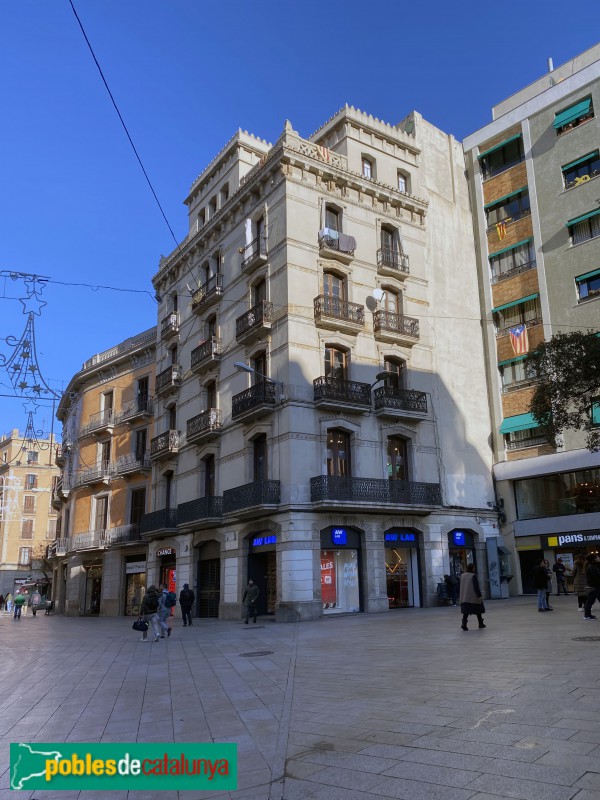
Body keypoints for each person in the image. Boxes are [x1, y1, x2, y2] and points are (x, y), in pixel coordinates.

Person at [458, 564, 485, 631]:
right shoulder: (473, 576)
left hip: (465, 597)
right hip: (473, 597)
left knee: (466, 612)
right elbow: (476, 586)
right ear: (472, 568)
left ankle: (464, 624)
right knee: (478, 610)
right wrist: (479, 595)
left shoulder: (462, 575)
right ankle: (480, 624)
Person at [583, 553, 600, 621]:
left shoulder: (594, 565)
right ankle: (587, 616)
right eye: (597, 557)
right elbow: (597, 577)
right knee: (589, 602)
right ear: (594, 559)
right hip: (594, 587)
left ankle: (587, 615)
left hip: (596, 587)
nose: (599, 558)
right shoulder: (591, 566)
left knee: (589, 602)